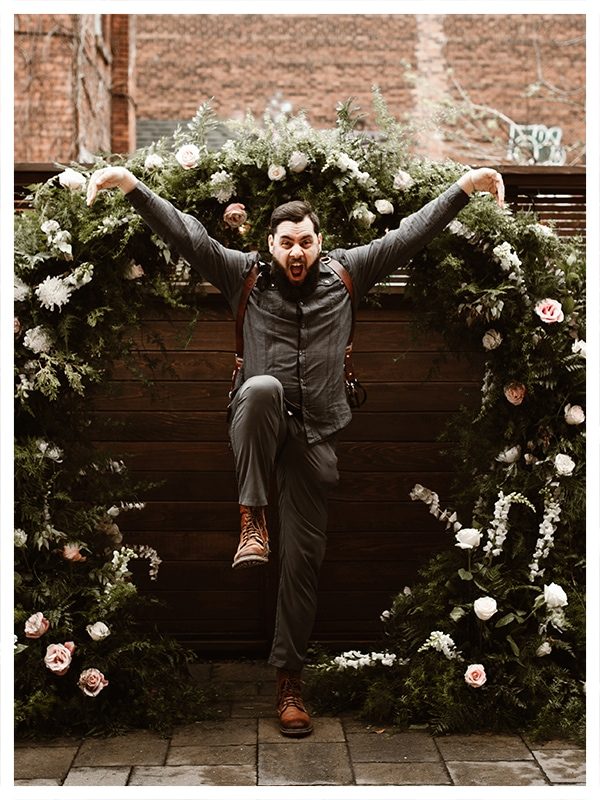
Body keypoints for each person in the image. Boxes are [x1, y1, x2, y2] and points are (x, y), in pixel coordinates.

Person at [87, 162, 504, 737]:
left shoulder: (349, 273)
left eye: (305, 241)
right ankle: (251, 518)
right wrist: (131, 186)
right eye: (286, 243)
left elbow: (409, 234)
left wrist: (463, 188)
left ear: (319, 242)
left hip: (315, 436)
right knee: (262, 388)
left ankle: (289, 682)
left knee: (302, 564)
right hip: (256, 425)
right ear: (270, 245)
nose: (297, 251)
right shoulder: (244, 276)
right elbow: (186, 233)